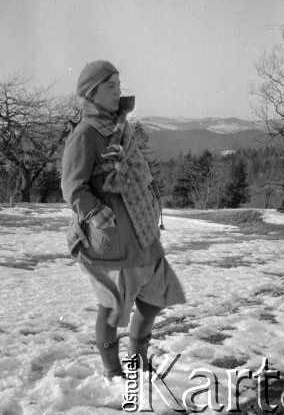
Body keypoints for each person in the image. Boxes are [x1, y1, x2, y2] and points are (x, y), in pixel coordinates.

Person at [61, 60, 185, 381]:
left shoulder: (120, 126)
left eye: (119, 86)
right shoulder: (86, 134)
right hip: (113, 234)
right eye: (111, 87)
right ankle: (112, 369)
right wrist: (96, 213)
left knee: (153, 297)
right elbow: (72, 187)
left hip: (141, 229)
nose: (118, 92)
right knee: (113, 306)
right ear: (92, 92)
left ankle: (137, 358)